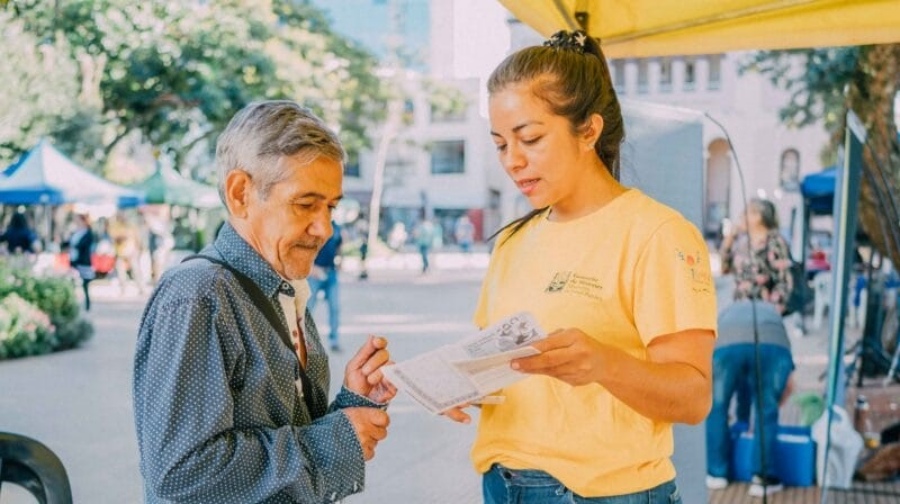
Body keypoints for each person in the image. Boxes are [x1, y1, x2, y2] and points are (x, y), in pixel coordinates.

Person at [442, 31, 717, 503]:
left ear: (588, 131)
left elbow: (693, 399)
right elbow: (504, 359)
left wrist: (605, 364)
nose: (514, 160)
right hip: (503, 483)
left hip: (602, 493)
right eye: (500, 144)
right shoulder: (512, 240)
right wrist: (466, 383)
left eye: (530, 138)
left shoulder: (657, 235)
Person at [133, 101, 396, 503]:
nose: (324, 228)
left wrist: (350, 405)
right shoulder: (199, 296)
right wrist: (334, 440)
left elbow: (286, 429)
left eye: (331, 207)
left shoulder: (283, 284)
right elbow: (182, 470)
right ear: (241, 194)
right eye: (306, 204)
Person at [705, 300, 795, 497]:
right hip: (771, 347)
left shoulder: (727, 310)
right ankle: (762, 479)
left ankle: (716, 474)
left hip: (725, 346)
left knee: (717, 408)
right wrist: (770, 406)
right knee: (767, 410)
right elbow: (789, 385)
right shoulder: (773, 314)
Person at [719, 197, 794, 314]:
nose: (741, 217)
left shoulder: (775, 242)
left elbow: (784, 281)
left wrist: (773, 311)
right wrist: (729, 240)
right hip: (740, 308)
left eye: (746, 213)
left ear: (758, 217)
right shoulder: (742, 241)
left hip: (763, 310)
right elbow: (725, 269)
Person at [307, 219, 343, 352]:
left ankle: (334, 341)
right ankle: (305, 341)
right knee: (308, 309)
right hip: (315, 273)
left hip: (331, 273)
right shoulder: (314, 225)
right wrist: (310, 266)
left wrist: (340, 260)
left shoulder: (336, 227)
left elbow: (339, 245)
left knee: (335, 308)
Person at [66, 213, 96, 311]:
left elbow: (82, 245)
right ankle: (72, 303)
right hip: (74, 260)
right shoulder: (75, 232)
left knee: (85, 284)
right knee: (72, 282)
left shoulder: (88, 233)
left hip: (84, 261)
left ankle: (87, 304)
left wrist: (75, 246)